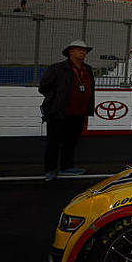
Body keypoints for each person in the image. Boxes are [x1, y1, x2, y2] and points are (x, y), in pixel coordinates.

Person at [38, 40, 95, 181]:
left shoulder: (87, 69)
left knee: (71, 141)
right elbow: (43, 87)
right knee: (54, 142)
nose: (83, 52)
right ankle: (50, 169)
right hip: (59, 113)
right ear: (70, 51)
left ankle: (66, 166)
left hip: (79, 113)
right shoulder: (57, 68)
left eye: (84, 50)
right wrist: (57, 100)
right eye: (79, 49)